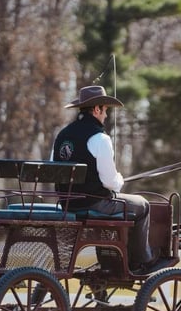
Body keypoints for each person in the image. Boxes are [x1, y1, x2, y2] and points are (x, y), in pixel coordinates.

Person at [52, 85, 157, 274]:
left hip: (68, 204)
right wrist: (119, 181)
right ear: (96, 109)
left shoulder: (62, 136)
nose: (106, 116)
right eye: (105, 110)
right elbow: (110, 182)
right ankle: (141, 262)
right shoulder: (99, 138)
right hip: (94, 204)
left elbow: (56, 170)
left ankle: (111, 259)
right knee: (143, 205)